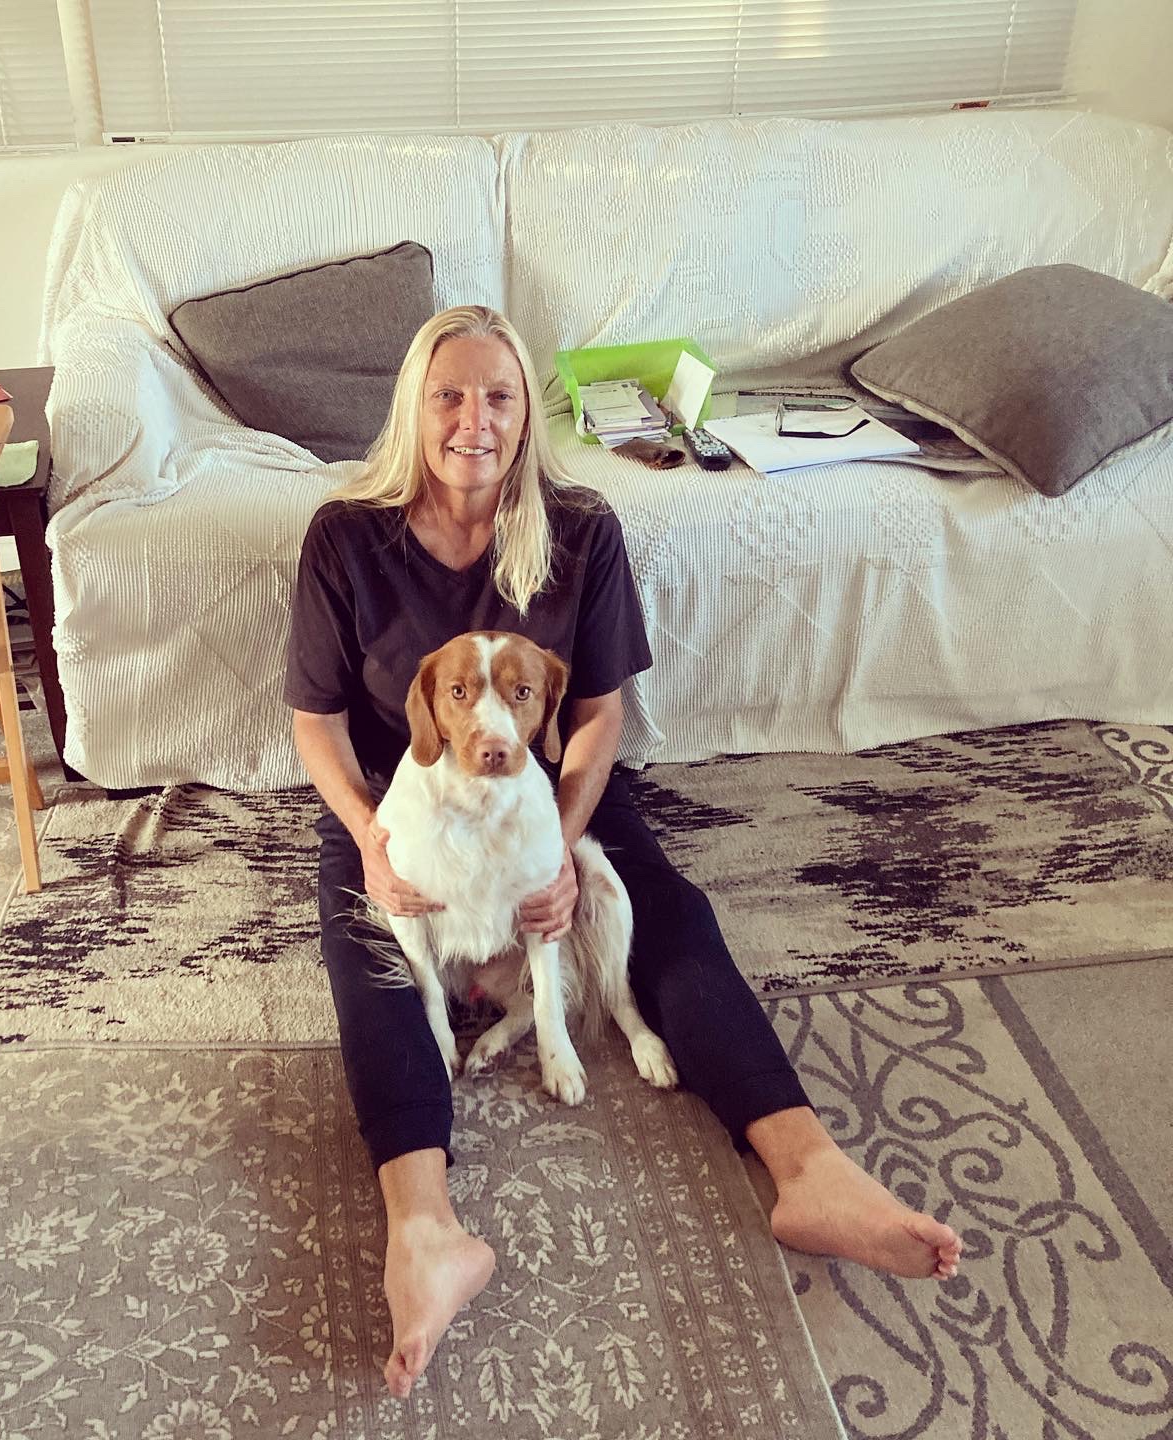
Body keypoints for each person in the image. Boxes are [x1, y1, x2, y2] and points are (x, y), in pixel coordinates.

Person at [283, 305, 963, 1400]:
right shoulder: (346, 537)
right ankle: (427, 1232)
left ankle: (809, 1169)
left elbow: (598, 715)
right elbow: (315, 721)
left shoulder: (580, 530)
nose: (473, 420)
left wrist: (560, 843)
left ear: (527, 413)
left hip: (548, 797)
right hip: (396, 798)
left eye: (499, 396)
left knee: (669, 919)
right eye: (449, 395)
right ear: (414, 409)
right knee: (374, 969)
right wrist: (367, 838)